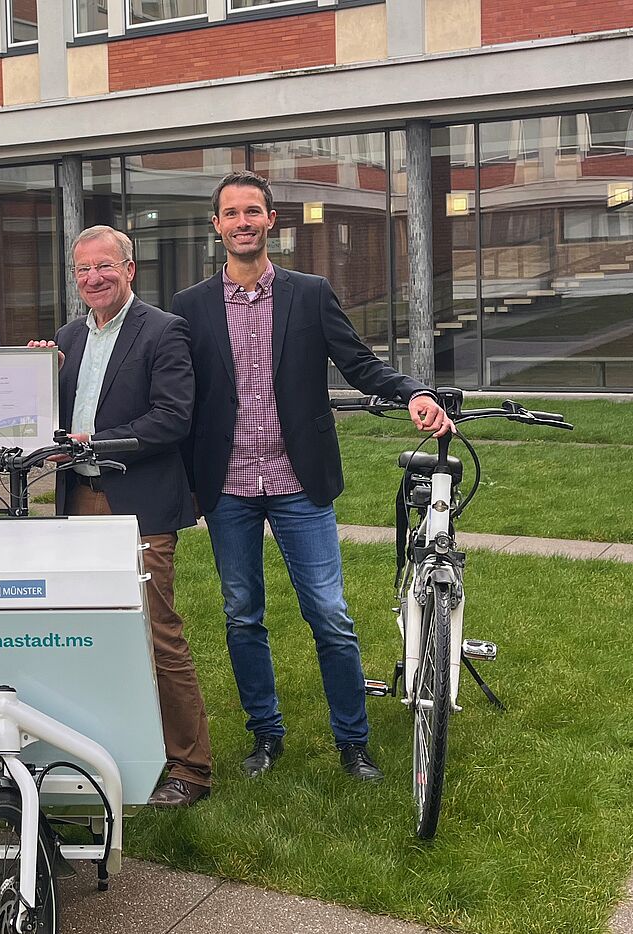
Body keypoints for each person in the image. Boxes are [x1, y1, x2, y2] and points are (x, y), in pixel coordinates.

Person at [171, 171, 451, 782]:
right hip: (228, 486)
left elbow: (359, 363)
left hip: (300, 482)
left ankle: (353, 741)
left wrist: (414, 392)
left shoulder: (309, 293)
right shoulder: (190, 306)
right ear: (216, 226)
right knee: (242, 614)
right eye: (230, 213)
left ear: (271, 220)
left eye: (252, 211)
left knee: (329, 615)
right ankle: (265, 735)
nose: (242, 222)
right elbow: (173, 387)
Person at [31, 225, 211, 807]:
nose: (93, 278)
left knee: (156, 632)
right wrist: (34, 375)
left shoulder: (163, 330)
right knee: (88, 632)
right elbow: (52, 417)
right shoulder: (68, 337)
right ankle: (104, 751)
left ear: (130, 269)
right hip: (77, 501)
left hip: (139, 504)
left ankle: (189, 767)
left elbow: (172, 417)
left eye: (104, 266)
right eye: (82, 269)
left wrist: (95, 442)